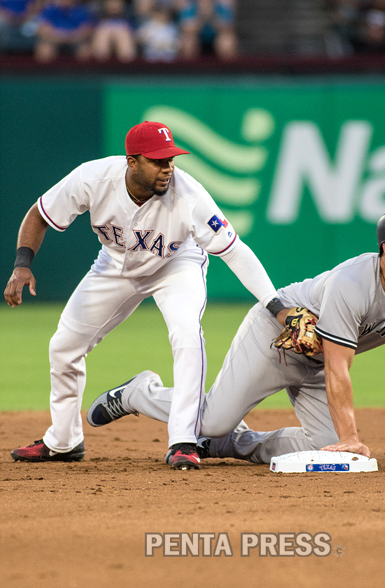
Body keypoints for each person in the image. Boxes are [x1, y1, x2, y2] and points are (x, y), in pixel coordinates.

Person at [86, 205, 385, 464]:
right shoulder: (353, 283)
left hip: (318, 361)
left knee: (327, 449)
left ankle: (230, 444)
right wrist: (351, 435)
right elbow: (339, 367)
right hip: (275, 340)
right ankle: (140, 392)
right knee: (213, 419)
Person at [6, 120, 283, 469]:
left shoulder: (190, 195)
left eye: (171, 159)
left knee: (186, 335)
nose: (168, 168)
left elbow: (235, 252)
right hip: (114, 263)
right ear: (132, 162)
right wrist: (22, 264)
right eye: (158, 161)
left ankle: (184, 440)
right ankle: (63, 441)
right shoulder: (93, 178)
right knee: (63, 346)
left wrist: (275, 304)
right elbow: (39, 214)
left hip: (176, 263)